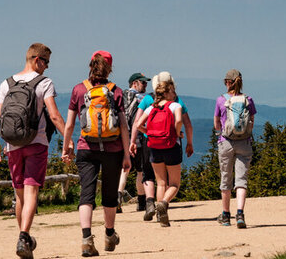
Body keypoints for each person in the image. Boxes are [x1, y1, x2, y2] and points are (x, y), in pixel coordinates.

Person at [0, 42, 69, 259]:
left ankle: (23, 238)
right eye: (46, 62)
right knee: (31, 191)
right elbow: (54, 116)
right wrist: (68, 140)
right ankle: (24, 237)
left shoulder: (6, 84)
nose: (47, 67)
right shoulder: (45, 83)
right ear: (37, 60)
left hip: (12, 145)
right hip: (37, 143)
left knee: (20, 195)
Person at [62, 50, 131, 257]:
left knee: (87, 194)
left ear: (91, 66)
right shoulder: (116, 91)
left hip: (86, 148)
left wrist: (66, 148)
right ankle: (109, 234)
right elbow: (124, 126)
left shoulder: (78, 90)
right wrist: (127, 155)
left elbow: (69, 125)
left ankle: (86, 240)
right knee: (109, 194)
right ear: (109, 68)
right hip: (113, 150)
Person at [130, 71, 193, 221]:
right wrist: (177, 133)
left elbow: (138, 124)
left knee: (160, 182)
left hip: (153, 145)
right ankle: (163, 204)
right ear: (168, 91)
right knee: (174, 184)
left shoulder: (150, 106)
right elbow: (181, 122)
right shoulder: (175, 105)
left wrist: (149, 132)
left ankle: (159, 215)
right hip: (171, 145)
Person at [213, 69, 256, 229]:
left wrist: (222, 133)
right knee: (241, 180)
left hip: (226, 142)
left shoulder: (221, 100)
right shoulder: (248, 100)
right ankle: (240, 214)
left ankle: (225, 215)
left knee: (226, 179)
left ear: (228, 82)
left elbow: (216, 124)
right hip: (244, 142)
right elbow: (251, 121)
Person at [116, 72, 152, 214]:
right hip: (139, 138)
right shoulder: (143, 99)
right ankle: (142, 202)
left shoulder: (121, 96)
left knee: (124, 169)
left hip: (122, 138)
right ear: (134, 83)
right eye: (143, 82)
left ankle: (118, 197)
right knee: (140, 171)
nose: (145, 85)